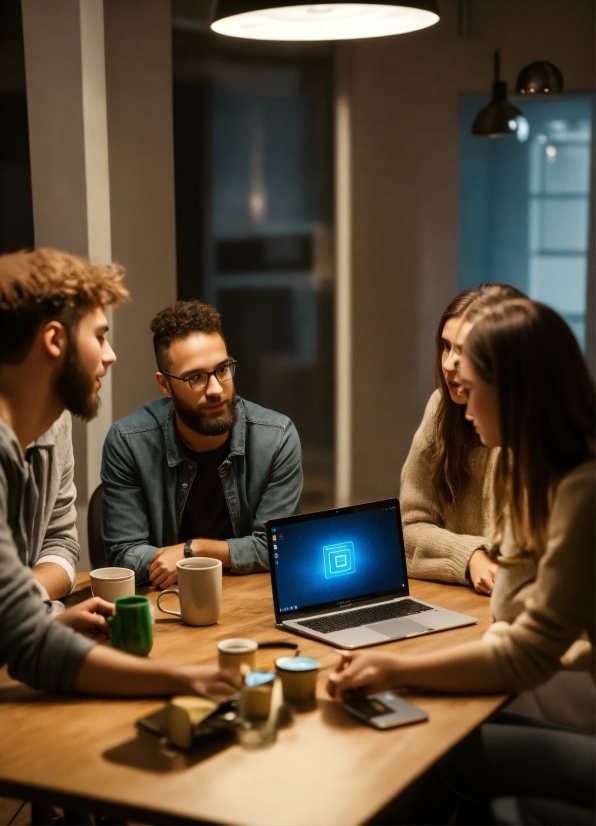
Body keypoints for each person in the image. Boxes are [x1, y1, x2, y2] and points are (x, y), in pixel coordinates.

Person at [328, 299, 595, 819]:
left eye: (472, 389)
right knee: (446, 742)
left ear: (513, 390)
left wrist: (395, 668)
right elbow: (511, 622)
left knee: (440, 762)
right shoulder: (537, 472)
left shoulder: (582, 491)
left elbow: (525, 652)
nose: (462, 404)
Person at [0, 248, 234, 698]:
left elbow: (22, 632)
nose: (110, 356)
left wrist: (38, 619)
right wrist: (187, 680)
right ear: (55, 341)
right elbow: (30, 648)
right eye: (100, 336)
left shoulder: (31, 437)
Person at [101, 299, 303, 589]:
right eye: (196, 377)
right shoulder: (129, 442)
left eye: (222, 369)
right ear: (164, 385)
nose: (216, 389)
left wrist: (194, 551)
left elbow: (278, 547)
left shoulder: (276, 437)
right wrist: (228, 555)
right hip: (165, 605)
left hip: (250, 604)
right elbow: (123, 555)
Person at [400, 283, 523, 595]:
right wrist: (469, 556)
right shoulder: (441, 407)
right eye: (445, 346)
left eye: (463, 351)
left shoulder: (538, 432)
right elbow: (406, 530)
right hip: (460, 600)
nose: (447, 364)